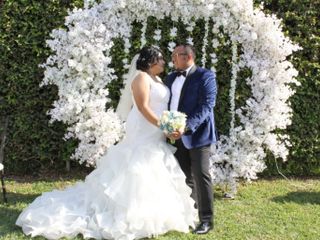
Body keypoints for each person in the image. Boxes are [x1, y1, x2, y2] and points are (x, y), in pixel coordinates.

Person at [16, 46, 197, 240]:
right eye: (161, 59)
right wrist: (163, 125)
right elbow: (143, 108)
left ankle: (157, 213)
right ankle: (129, 212)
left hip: (156, 131)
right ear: (151, 61)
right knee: (138, 166)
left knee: (155, 165)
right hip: (144, 128)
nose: (164, 62)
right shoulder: (141, 78)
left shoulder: (159, 80)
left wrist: (169, 124)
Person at [165, 44, 217, 234]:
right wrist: (167, 127)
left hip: (199, 135)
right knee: (184, 176)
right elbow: (166, 104)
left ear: (186, 57)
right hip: (175, 136)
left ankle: (206, 220)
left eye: (174, 56)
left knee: (201, 175)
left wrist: (186, 127)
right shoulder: (170, 78)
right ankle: (190, 213)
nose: (172, 60)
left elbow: (207, 106)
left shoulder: (205, 76)